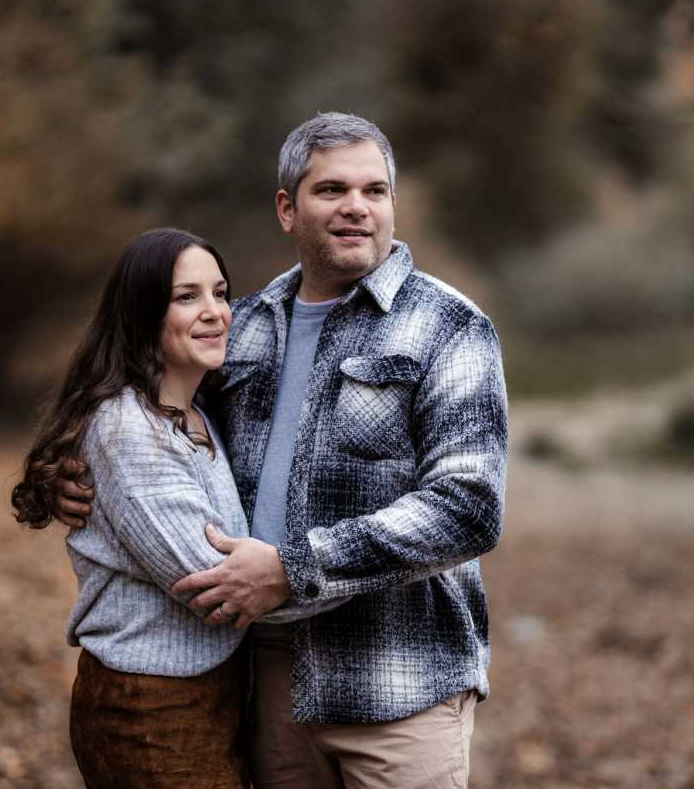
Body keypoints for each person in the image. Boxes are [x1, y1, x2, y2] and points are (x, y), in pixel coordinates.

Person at [56, 113, 508, 789]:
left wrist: (294, 569)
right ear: (287, 208)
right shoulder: (244, 327)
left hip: (397, 686)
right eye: (331, 190)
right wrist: (70, 466)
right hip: (269, 688)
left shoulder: (449, 327)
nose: (357, 207)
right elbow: (162, 433)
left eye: (375, 191)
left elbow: (468, 509)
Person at [11, 228, 251, 788]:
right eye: (187, 296)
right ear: (143, 313)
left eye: (220, 292)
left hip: (208, 694)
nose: (214, 312)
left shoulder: (194, 413)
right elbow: (213, 584)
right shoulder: (131, 429)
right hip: (149, 706)